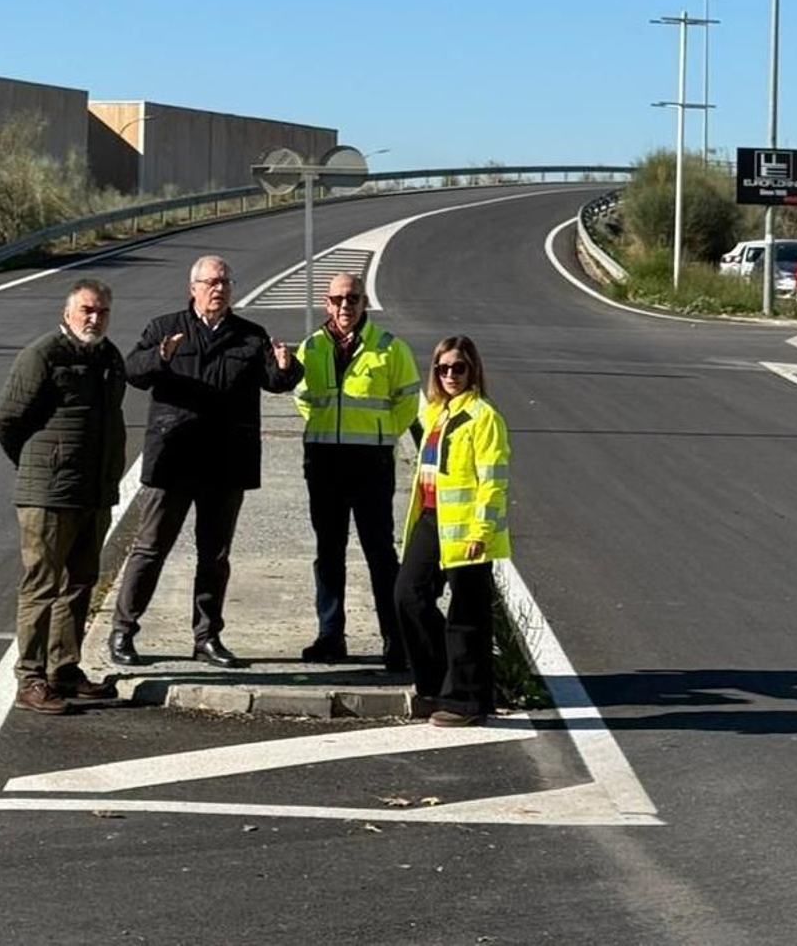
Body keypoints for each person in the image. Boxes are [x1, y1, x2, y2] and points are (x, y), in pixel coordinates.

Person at [109, 255, 303, 669]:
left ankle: (207, 637)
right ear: (193, 288)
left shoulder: (250, 335)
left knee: (214, 556)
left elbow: (277, 380)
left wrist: (289, 368)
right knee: (150, 548)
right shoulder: (165, 328)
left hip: (226, 463)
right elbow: (133, 372)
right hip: (174, 460)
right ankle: (123, 631)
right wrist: (160, 357)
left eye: (225, 282)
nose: (219, 289)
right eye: (211, 282)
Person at [0, 279, 128, 715]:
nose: (95, 318)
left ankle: (64, 670)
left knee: (80, 582)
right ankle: (30, 677)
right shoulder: (43, 355)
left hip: (94, 491)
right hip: (48, 493)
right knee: (42, 585)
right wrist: (40, 465)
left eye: (102, 311)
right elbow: (7, 420)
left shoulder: (108, 358)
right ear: (68, 313)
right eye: (87, 310)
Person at [293, 272, 420, 668]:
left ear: (364, 302)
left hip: (371, 463)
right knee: (328, 553)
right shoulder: (311, 347)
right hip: (325, 462)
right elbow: (303, 399)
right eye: (337, 299)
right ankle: (330, 636)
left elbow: (408, 403)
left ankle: (395, 640)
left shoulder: (389, 347)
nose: (345, 306)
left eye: (353, 299)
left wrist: (382, 435)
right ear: (326, 303)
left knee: (380, 553)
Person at [394, 336, 512, 727]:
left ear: (473, 370)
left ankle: (467, 699)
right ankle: (435, 684)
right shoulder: (434, 414)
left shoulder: (483, 417)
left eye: (458, 368)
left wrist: (481, 528)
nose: (450, 375)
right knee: (408, 597)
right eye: (443, 368)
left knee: (467, 616)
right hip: (430, 520)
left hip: (468, 530)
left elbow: (493, 481)